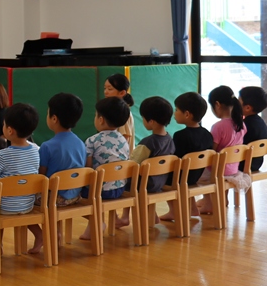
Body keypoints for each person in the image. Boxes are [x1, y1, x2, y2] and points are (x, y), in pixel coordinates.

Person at [0, 103, 42, 254]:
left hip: (3, 206)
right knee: (15, 202)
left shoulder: (3, 154)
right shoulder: (37, 150)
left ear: (9, 131)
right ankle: (39, 234)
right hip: (27, 203)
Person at [115, 96, 175, 229]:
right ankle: (152, 215)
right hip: (160, 182)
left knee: (126, 180)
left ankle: (125, 217)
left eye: (143, 118)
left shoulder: (148, 142)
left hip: (143, 185)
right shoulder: (169, 139)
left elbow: (133, 163)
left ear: (151, 121)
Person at [81, 97, 131, 239]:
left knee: (76, 193)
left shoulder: (92, 141)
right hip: (119, 188)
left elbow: (88, 169)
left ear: (101, 119)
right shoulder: (124, 140)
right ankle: (96, 225)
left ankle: (97, 222)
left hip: (99, 191)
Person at [161, 92, 215, 222]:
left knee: (161, 179)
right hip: (197, 175)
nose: (174, 113)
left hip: (181, 178)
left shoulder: (180, 136)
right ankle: (192, 208)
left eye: (176, 110)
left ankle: (173, 211)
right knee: (186, 174)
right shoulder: (207, 134)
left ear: (187, 114)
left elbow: (176, 160)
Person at [197, 86, 248, 214]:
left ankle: (208, 203)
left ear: (217, 105)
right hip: (233, 168)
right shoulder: (241, 124)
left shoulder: (218, 127)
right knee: (221, 166)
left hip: (219, 169)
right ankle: (223, 199)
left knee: (198, 174)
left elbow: (212, 152)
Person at [38, 93, 87, 208]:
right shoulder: (81, 143)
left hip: (53, 199)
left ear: (54, 118)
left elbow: (41, 177)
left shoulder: (47, 147)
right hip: (75, 196)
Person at [238, 86, 267, 176]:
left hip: (242, 165)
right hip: (256, 164)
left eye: (238, 101)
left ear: (247, 108)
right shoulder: (261, 122)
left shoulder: (244, 125)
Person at [104, 73, 136, 149]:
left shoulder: (123, 113)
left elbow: (125, 139)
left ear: (122, 93)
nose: (106, 92)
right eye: (105, 88)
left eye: (110, 89)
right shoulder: (115, 110)